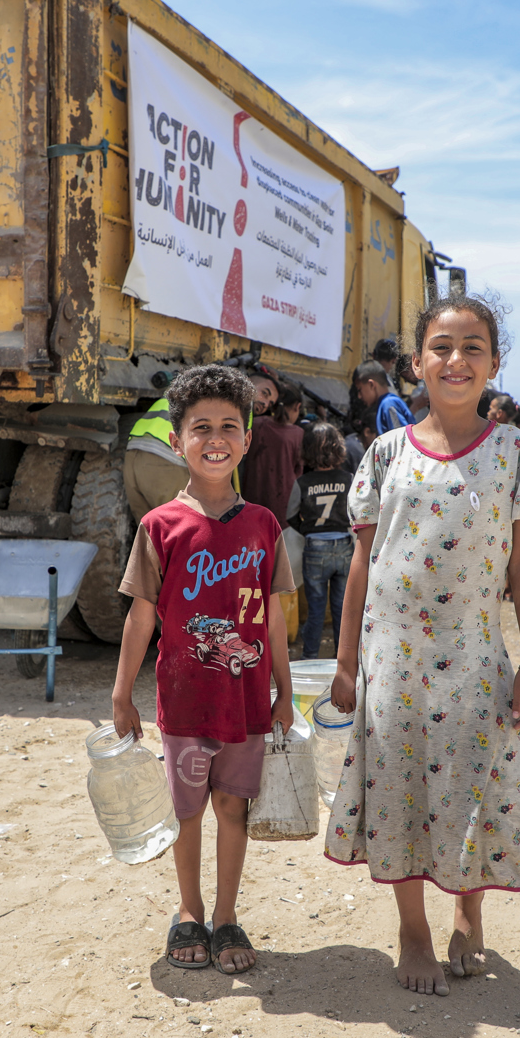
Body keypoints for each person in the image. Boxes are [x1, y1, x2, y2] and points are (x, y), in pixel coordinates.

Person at [326, 293, 520, 998]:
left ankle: (467, 909)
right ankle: (413, 932)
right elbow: (363, 563)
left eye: (473, 347)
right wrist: (345, 662)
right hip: (393, 658)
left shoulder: (516, 453)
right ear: (417, 363)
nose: (457, 360)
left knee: (472, 786)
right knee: (396, 787)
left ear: (494, 363)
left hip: (475, 658)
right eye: (442, 348)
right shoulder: (385, 453)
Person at [112, 364, 296, 973]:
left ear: (246, 439)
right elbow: (141, 616)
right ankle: (189, 911)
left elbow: (273, 618)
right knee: (187, 810)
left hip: (246, 702)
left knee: (233, 809)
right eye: (201, 428)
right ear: (177, 441)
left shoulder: (264, 525)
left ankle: (226, 916)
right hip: (185, 700)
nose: (215, 439)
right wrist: (121, 694)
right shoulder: (159, 526)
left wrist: (285, 691)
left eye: (228, 427)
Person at [288, 422, 354, 659]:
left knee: (316, 609)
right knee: (341, 608)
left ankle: (309, 657)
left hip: (314, 549)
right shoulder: (349, 479)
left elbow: (290, 515)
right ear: (338, 448)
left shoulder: (302, 482)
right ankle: (342, 658)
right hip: (344, 547)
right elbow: (358, 513)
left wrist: (308, 531)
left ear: (307, 450)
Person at [240, 381, 304, 530]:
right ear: (297, 406)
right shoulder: (298, 434)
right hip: (282, 508)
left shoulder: (255, 425)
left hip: (250, 501)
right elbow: (298, 473)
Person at [123, 395, 189, 521]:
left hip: (133, 459)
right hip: (167, 461)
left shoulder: (170, 397)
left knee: (149, 528)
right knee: (180, 525)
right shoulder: (208, 401)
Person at [355, 361, 415, 435]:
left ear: (371, 385)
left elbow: (401, 438)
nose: (359, 396)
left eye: (360, 390)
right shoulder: (384, 404)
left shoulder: (388, 404)